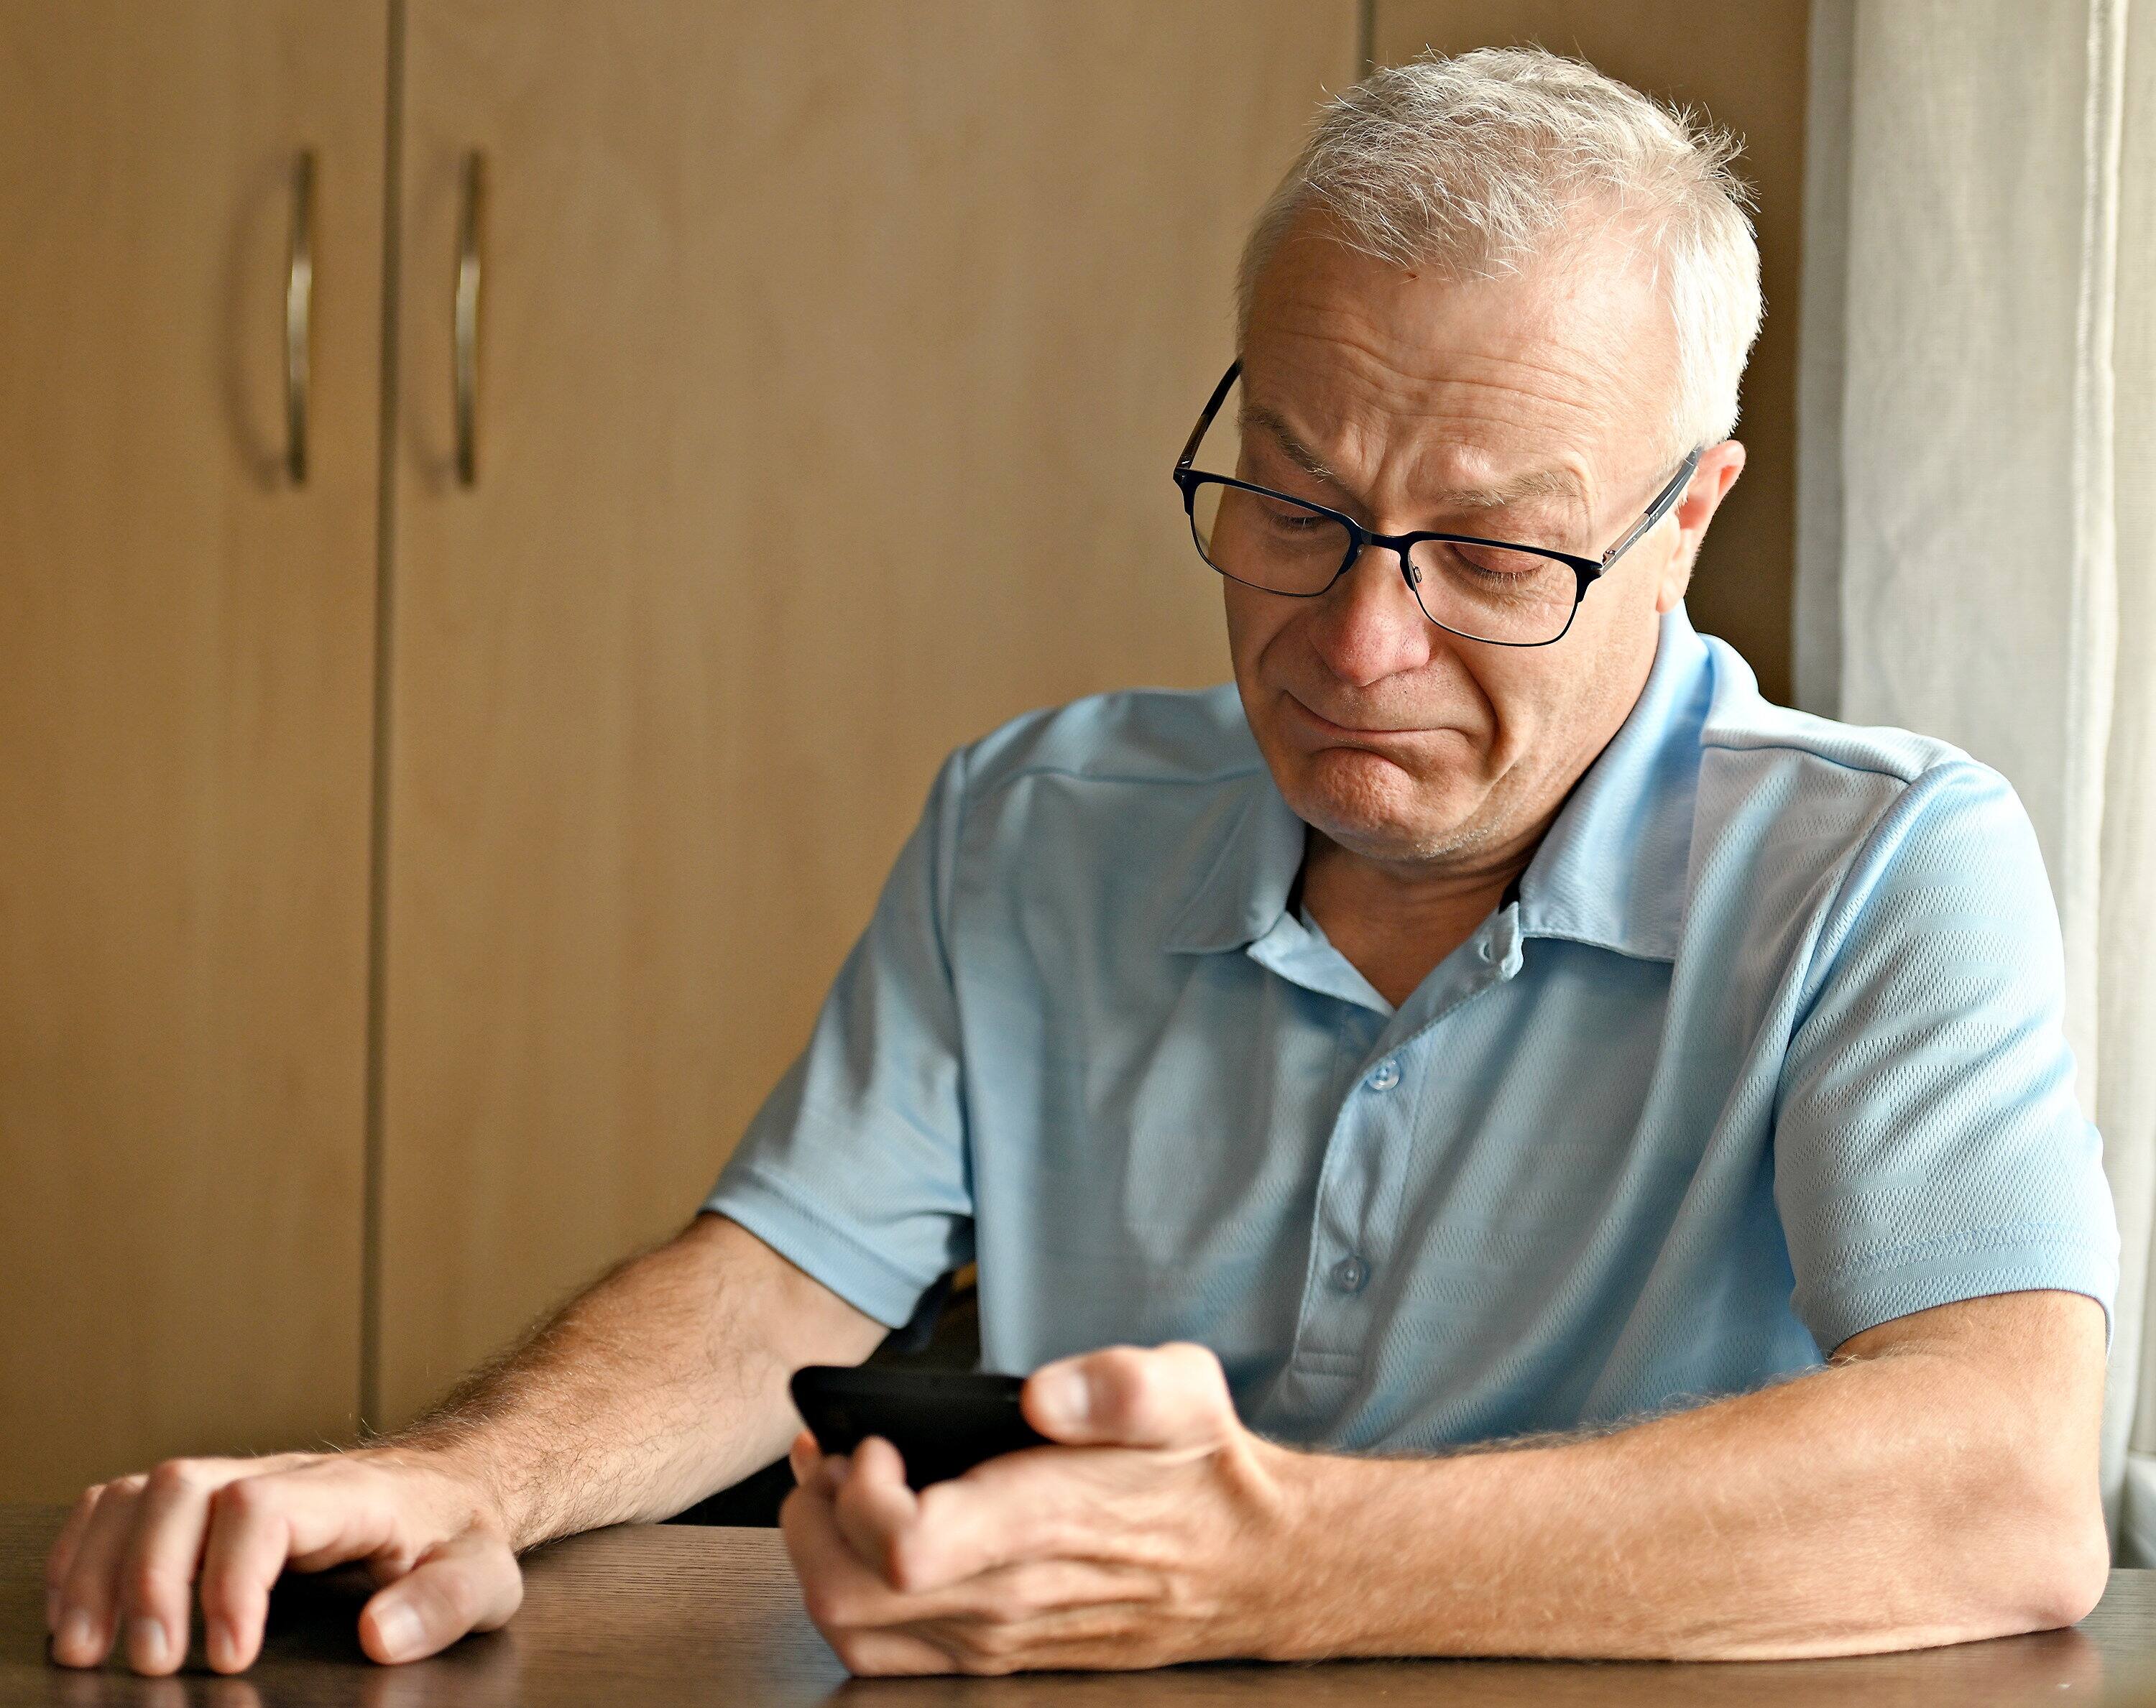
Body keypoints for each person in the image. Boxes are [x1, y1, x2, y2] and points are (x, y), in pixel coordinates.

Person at [47, 46, 2117, 1679]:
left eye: (1494, 555)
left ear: (1690, 516)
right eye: (1293, 509)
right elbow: (786, 1284)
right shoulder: (1034, 820)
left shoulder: (1888, 864)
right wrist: (451, 1473)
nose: (1357, 644)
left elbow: (2004, 1486)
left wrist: (1260, 1565)